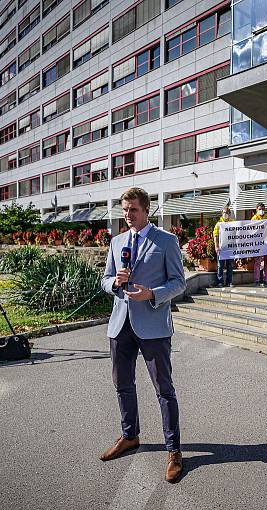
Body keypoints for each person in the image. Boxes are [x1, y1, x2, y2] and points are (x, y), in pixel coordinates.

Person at [100, 187, 187, 482]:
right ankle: (129, 436)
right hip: (120, 324)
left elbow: (179, 282)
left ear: (146, 210)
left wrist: (153, 294)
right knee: (122, 384)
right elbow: (105, 279)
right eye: (124, 210)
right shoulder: (117, 242)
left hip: (153, 327)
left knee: (164, 389)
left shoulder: (166, 241)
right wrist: (114, 282)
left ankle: (174, 450)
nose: (127, 215)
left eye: (133, 210)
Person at [213, 206, 234, 288]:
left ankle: (229, 282)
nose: (226, 214)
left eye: (228, 213)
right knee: (220, 266)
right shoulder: (218, 224)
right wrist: (216, 246)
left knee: (230, 265)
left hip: (230, 248)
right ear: (222, 213)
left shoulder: (232, 222)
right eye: (225, 212)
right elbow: (215, 236)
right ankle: (220, 282)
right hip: (221, 248)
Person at [251, 202, 267, 287]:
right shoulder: (254, 218)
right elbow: (251, 230)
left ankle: (266, 279)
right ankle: (257, 279)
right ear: (256, 210)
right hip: (257, 243)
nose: (261, 211)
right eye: (260, 209)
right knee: (257, 262)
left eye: (263, 209)